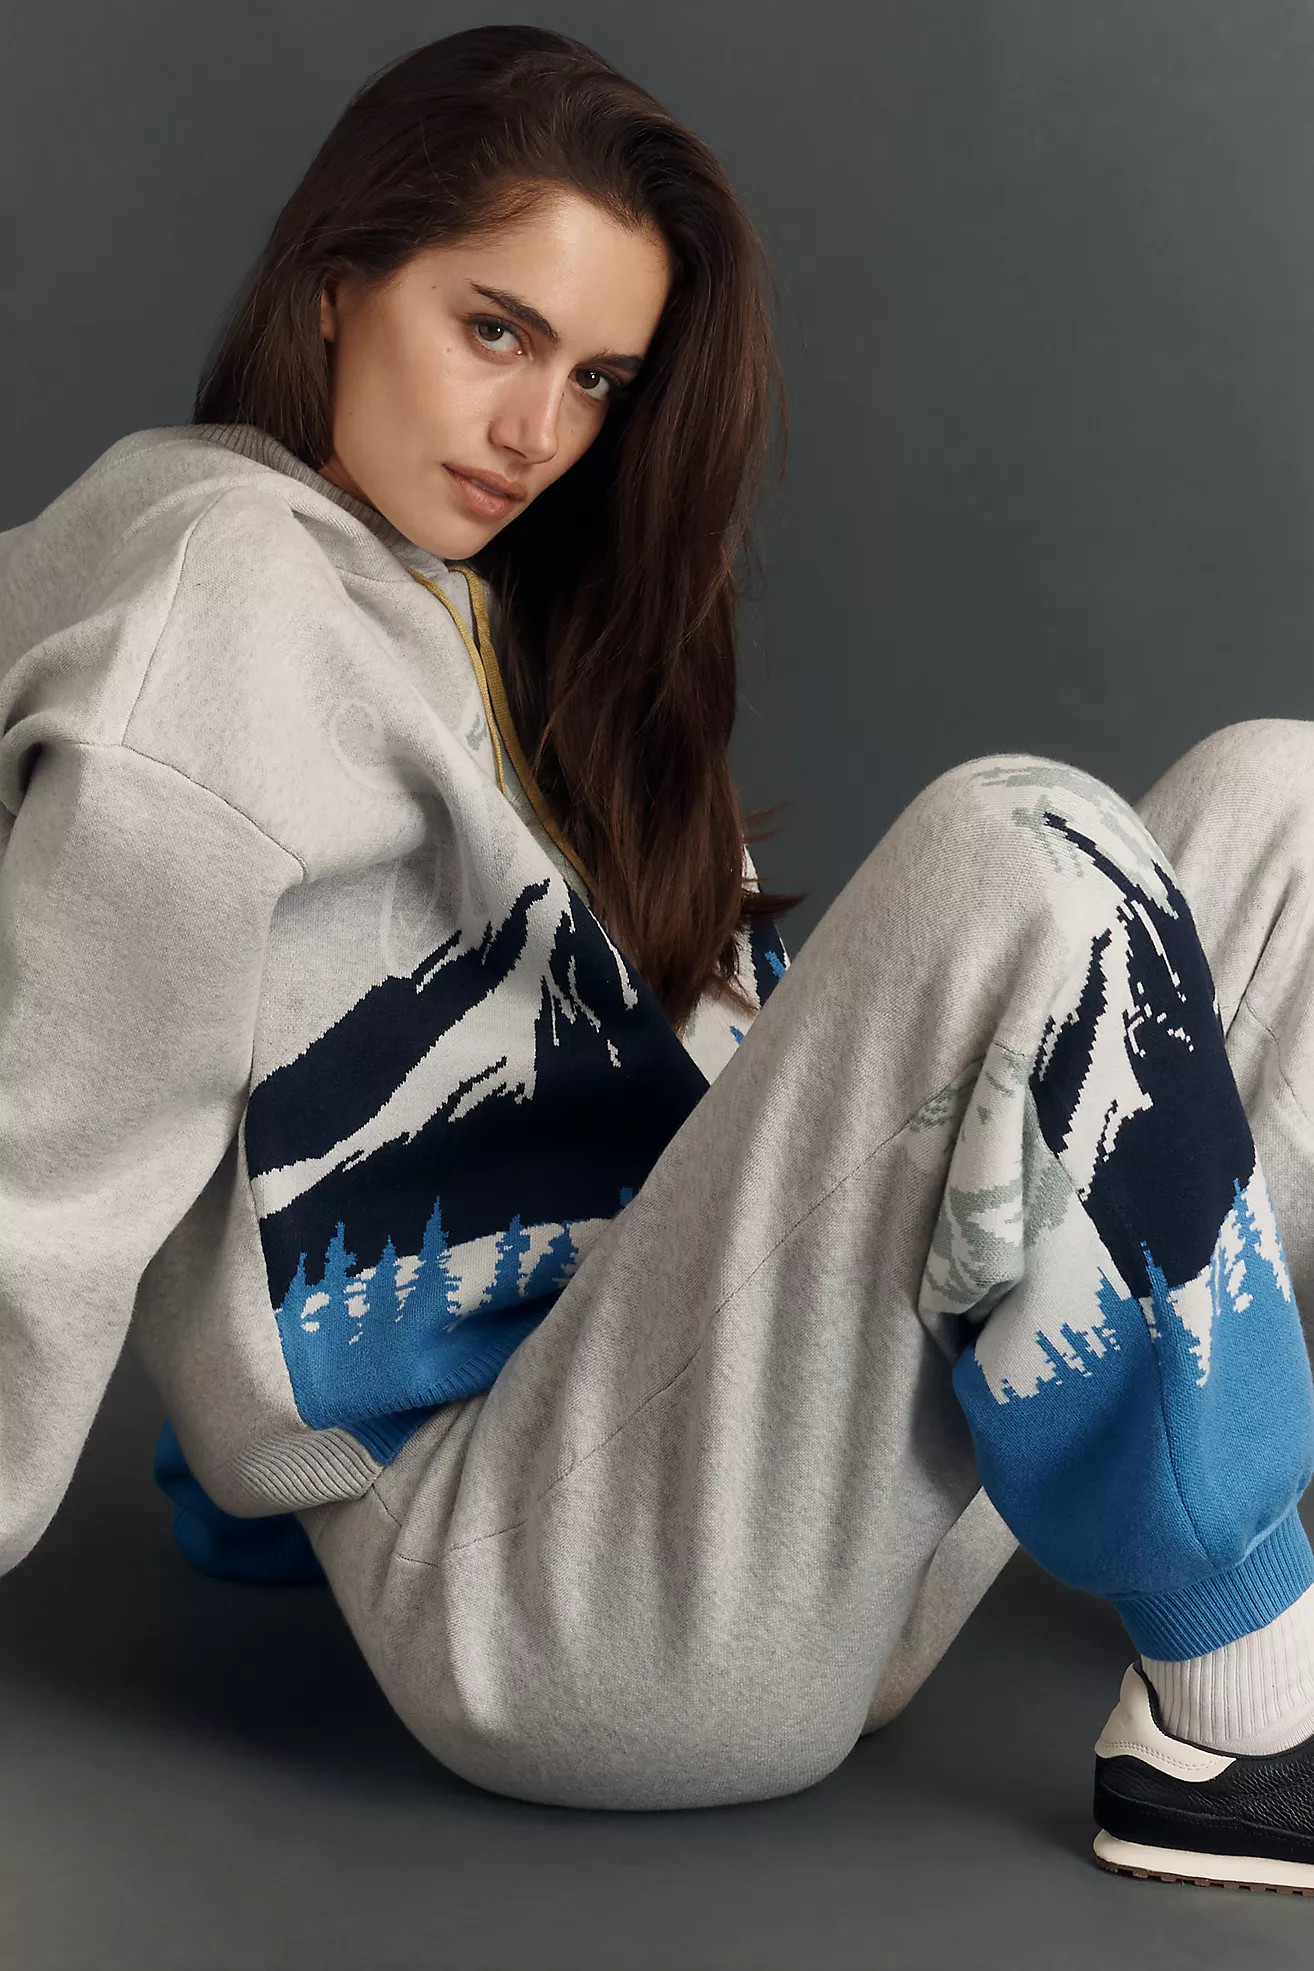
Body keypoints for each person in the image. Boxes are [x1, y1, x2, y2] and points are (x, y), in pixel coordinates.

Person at [2, 22, 1314, 1895]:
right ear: (333, 286)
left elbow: (470, 1087)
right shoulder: (213, 612)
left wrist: (250, 1480)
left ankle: (1248, 1543)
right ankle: (1244, 1717)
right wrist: (274, 1440)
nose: (537, 432)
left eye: (597, 378)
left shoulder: (487, 615)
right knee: (1014, 848)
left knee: (1283, 805)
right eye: (494, 330)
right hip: (562, 1621)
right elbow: (45, 1184)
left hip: (782, 1525)